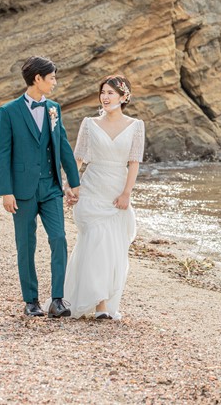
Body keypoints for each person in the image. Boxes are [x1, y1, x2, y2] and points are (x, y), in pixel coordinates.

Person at [0, 56, 80, 317]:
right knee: (26, 244)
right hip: (21, 191)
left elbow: (62, 145)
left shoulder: (54, 108)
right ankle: (31, 301)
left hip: (51, 187)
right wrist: (5, 191)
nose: (55, 82)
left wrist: (74, 183)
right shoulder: (8, 111)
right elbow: (2, 153)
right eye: (52, 77)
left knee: (59, 239)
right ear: (37, 79)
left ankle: (58, 300)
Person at [63, 75, 145, 320]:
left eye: (111, 93)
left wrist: (126, 194)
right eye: (103, 92)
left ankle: (102, 299)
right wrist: (71, 186)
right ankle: (100, 304)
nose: (105, 97)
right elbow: (78, 158)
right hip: (91, 189)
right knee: (95, 242)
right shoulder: (89, 123)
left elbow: (134, 163)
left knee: (112, 247)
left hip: (116, 191)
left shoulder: (136, 125)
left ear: (123, 97)